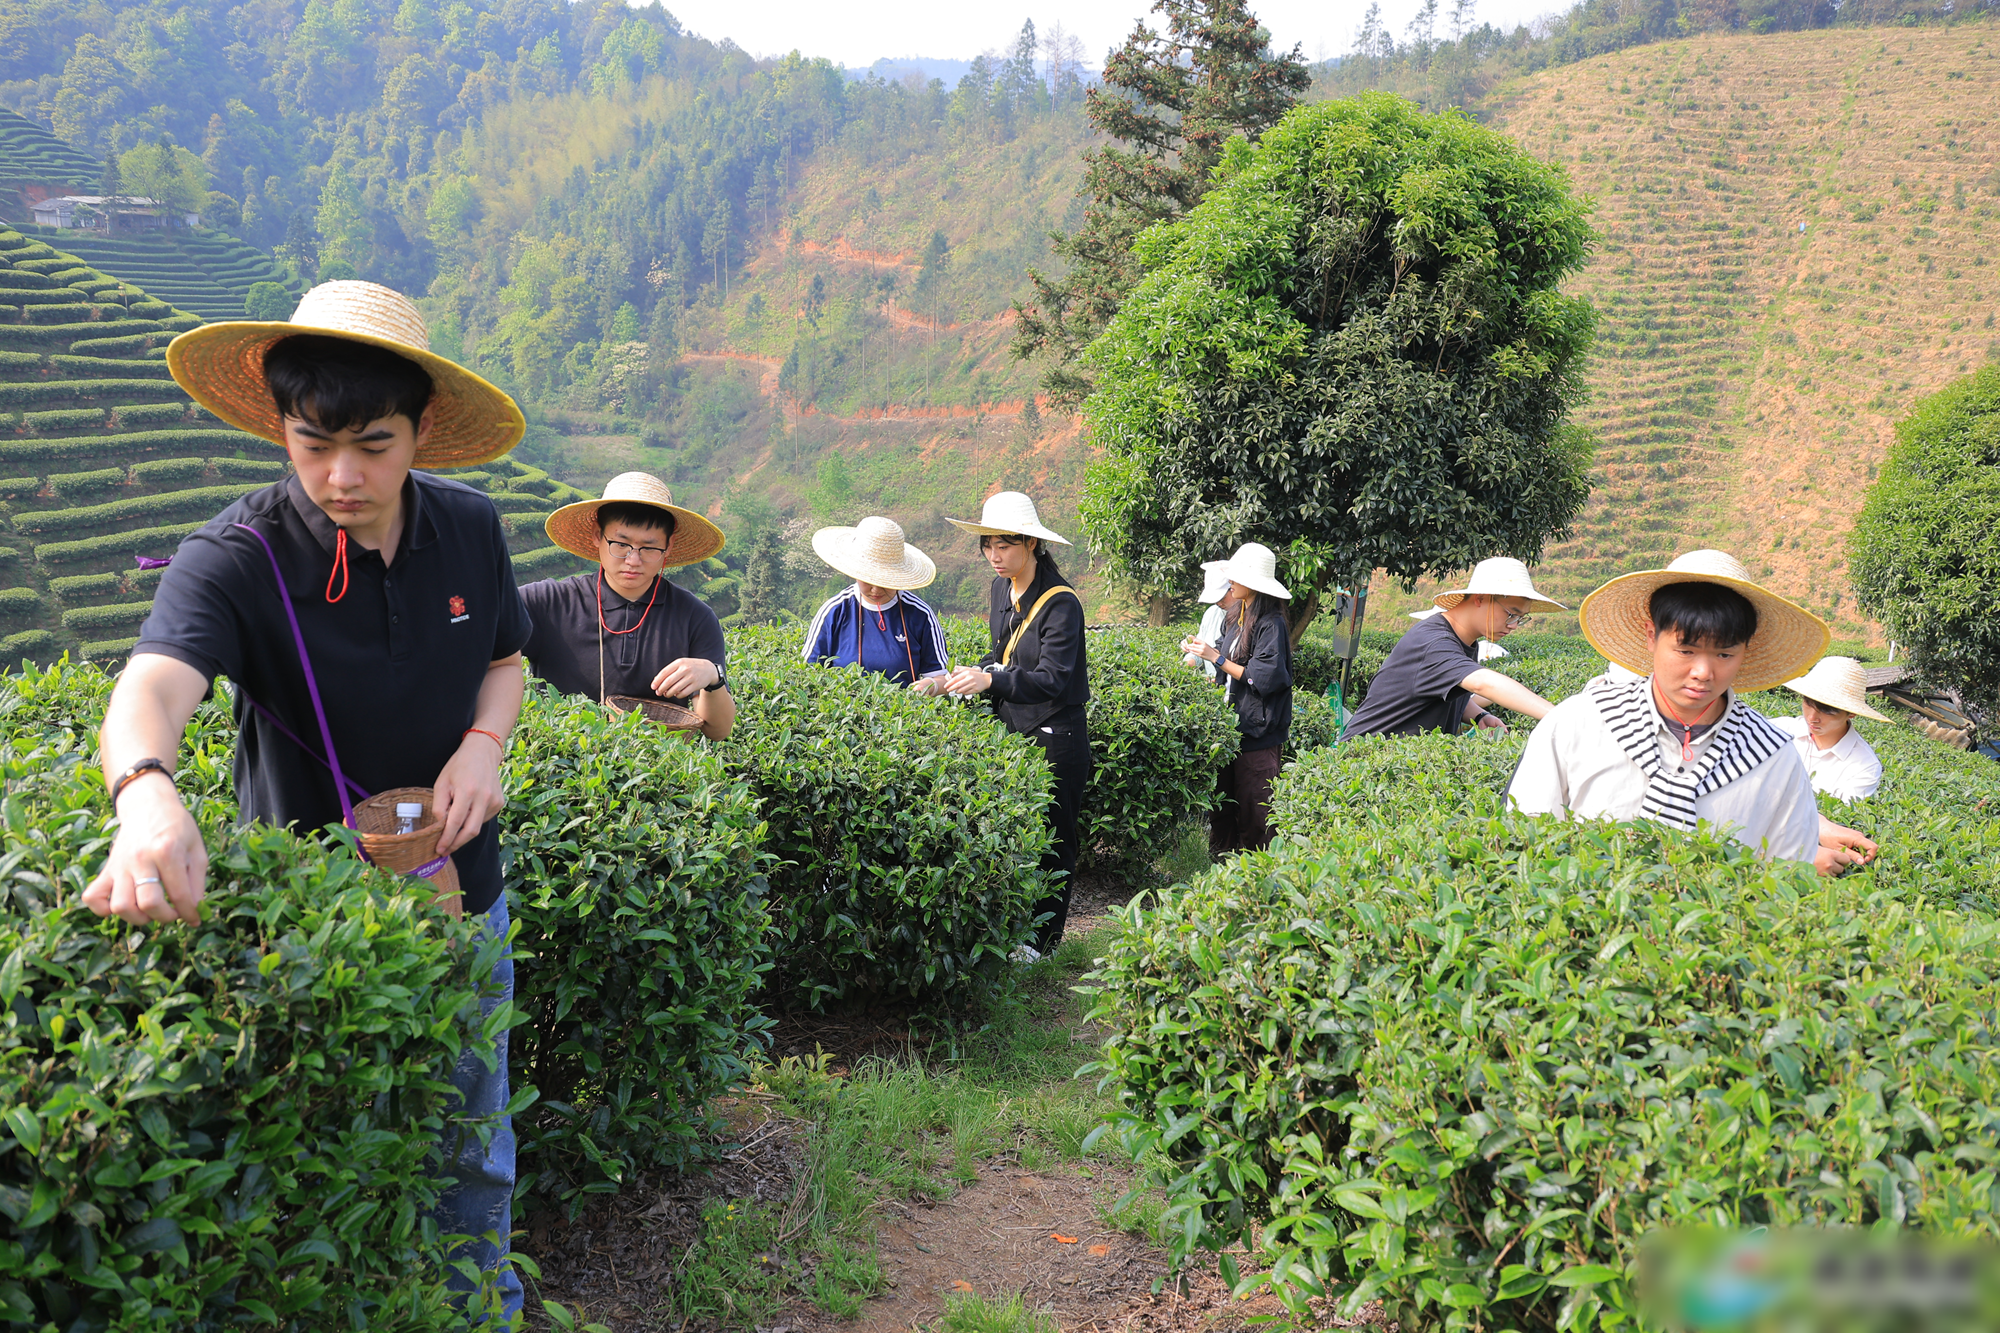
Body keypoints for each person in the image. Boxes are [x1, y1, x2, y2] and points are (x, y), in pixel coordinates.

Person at [85, 280, 533, 1320]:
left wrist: (483, 747)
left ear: (422, 431)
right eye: (312, 442)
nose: (341, 476)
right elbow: (152, 685)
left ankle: (482, 1310)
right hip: (310, 930)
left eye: (373, 445)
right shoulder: (237, 556)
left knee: (473, 1137)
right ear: (279, 428)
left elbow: (504, 660)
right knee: (320, 1150)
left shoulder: (469, 528)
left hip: (463, 889)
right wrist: (146, 794)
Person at [1507, 550, 1879, 876]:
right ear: (1651, 636)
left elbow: (1787, 875)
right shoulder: (1580, 723)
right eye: (1686, 650)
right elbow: (1528, 841)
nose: (1703, 672)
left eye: (1724, 654)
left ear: (1745, 651)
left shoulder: (1773, 757)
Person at [940, 491, 1089, 959]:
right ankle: (1015, 930)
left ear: (1031, 544)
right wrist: (968, 676)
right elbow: (1001, 654)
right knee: (1020, 835)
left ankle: (1042, 944)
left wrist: (992, 680)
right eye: (987, 545)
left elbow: (1053, 678)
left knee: (1055, 840)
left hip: (1056, 734)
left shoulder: (1061, 603)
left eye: (1003, 545)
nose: (994, 555)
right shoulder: (999, 590)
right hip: (1014, 731)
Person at [519, 472, 736, 740]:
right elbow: (485, 636)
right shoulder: (547, 602)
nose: (633, 560)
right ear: (597, 536)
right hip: (560, 759)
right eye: (621, 544)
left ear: (668, 546)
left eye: (649, 548)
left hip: (652, 764)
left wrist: (713, 677)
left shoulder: (695, 618)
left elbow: (718, 731)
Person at [1343, 558, 1565, 739]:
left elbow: (1444, 694)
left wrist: (1480, 716)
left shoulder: (1465, 641)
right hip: (1363, 763)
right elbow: (1483, 683)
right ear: (1480, 598)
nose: (1514, 625)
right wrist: (1563, 718)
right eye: (1511, 614)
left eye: (1521, 618)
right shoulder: (1434, 643)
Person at [1180, 542, 1292, 854]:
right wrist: (1202, 651)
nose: (1230, 581)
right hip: (1232, 730)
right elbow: (1225, 656)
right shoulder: (1235, 616)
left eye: (1236, 576)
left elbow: (1263, 677)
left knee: (1256, 816)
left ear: (1253, 583)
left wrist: (1215, 658)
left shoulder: (1272, 623)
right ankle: (1221, 871)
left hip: (1258, 735)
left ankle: (1257, 875)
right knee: (1222, 809)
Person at [802, 515, 950, 691]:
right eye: (868, 579)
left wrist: (928, 686)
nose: (876, 589)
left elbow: (941, 678)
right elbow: (808, 674)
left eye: (885, 581)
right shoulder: (834, 611)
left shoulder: (920, 615)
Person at [1773, 656, 1888, 801]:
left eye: (1827, 711)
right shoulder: (1780, 729)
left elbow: (1835, 812)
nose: (1812, 717)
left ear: (1851, 713)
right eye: (1808, 703)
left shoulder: (1864, 766)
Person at [1181, 561, 1231, 681]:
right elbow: (1201, 653)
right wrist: (1189, 660)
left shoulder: (1250, 619)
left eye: (1222, 597)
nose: (1219, 603)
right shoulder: (1211, 613)